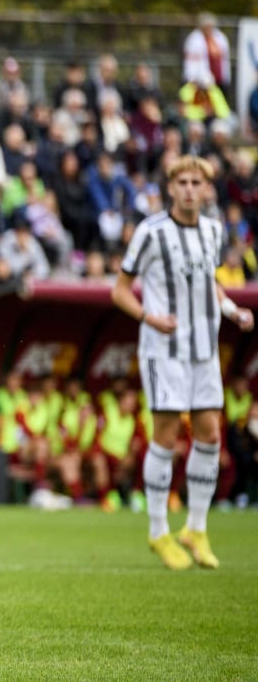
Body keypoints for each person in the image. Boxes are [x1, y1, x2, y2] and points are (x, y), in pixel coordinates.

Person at [113, 155, 255, 570]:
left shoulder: (213, 230)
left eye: (197, 182)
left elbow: (209, 283)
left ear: (207, 189)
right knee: (168, 435)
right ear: (170, 188)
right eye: (183, 182)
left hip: (204, 350)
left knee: (210, 434)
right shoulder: (150, 232)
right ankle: (158, 530)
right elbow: (119, 291)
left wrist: (232, 311)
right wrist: (149, 317)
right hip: (164, 351)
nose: (190, 189)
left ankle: (195, 527)